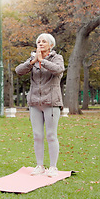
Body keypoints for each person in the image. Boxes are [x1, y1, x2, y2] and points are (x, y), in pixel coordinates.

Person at [15, 33, 65, 177]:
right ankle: (39, 165)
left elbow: (58, 70)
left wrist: (42, 61)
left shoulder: (57, 58)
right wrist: (32, 62)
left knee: (51, 135)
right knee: (37, 135)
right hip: (35, 102)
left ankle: (53, 167)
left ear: (51, 45)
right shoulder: (33, 59)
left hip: (51, 102)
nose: (41, 43)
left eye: (44, 42)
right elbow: (18, 71)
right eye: (39, 41)